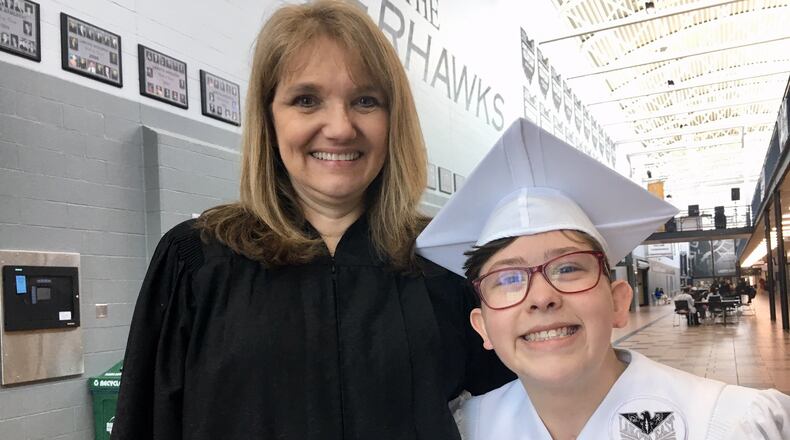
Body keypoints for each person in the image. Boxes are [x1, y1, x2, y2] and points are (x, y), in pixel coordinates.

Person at [111, 2, 511, 439]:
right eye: (306, 100)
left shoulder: (446, 264)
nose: (340, 127)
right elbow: (146, 425)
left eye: (365, 100)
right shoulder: (196, 263)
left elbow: (516, 414)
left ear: (393, 119)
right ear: (269, 118)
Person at [415, 118, 790, 439]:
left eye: (568, 268)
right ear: (482, 328)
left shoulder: (729, 423)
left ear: (618, 302)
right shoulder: (465, 429)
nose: (541, 296)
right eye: (509, 278)